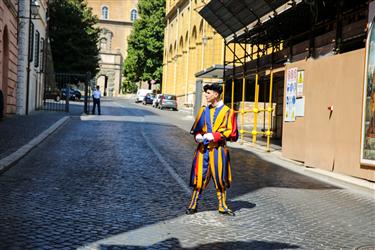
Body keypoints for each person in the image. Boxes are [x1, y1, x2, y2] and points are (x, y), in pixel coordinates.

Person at [186, 83, 238, 216]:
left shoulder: (228, 112)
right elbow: (197, 129)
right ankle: (193, 204)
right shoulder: (204, 110)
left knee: (220, 178)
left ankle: (222, 206)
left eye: (208, 93)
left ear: (216, 94)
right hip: (203, 150)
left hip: (218, 149)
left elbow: (232, 133)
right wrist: (198, 136)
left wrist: (214, 135)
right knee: (199, 177)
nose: (206, 95)